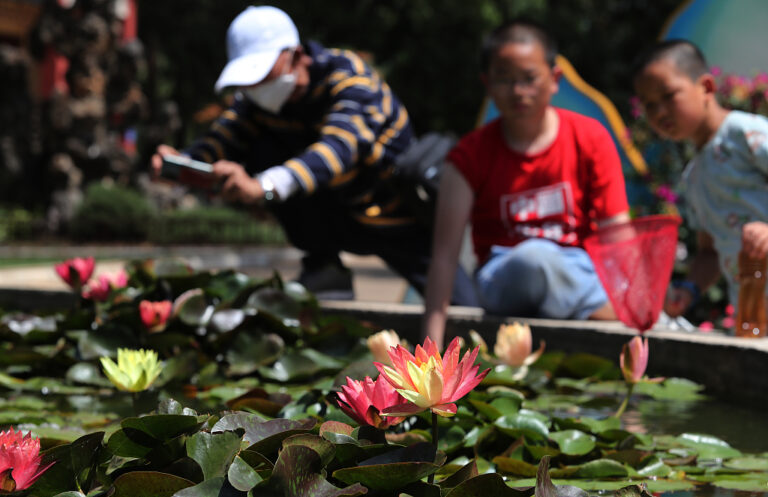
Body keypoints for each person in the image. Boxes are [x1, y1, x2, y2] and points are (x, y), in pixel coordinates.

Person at [151, 6, 476, 304]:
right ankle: (324, 266)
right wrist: (183, 164)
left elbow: (339, 149)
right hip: (329, 218)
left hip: (392, 216)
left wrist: (263, 186)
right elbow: (223, 139)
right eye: (248, 79)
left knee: (463, 311)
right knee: (261, 145)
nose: (256, 85)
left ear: (295, 56)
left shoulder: (350, 78)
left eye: (263, 72)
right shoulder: (255, 102)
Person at [423, 19, 630, 348]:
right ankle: (610, 311)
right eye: (504, 79)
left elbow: (617, 235)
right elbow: (445, 257)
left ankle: (608, 306)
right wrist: (428, 348)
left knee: (559, 262)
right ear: (487, 84)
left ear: (554, 79)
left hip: (580, 268)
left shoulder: (591, 138)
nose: (518, 91)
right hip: (505, 274)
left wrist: (634, 292)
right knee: (535, 259)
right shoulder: (467, 156)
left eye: (529, 78)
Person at [632, 40, 768, 318]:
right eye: (649, 105)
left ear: (706, 87)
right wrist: (690, 289)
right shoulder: (693, 177)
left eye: (668, 95)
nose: (658, 112)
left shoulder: (746, 135)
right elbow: (710, 252)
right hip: (755, 318)